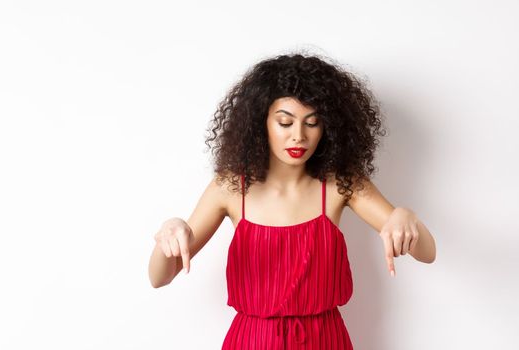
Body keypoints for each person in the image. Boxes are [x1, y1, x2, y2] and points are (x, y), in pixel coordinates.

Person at [147, 52, 437, 349]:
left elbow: (427, 253)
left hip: (325, 341)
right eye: (285, 123)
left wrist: (405, 215)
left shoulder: (341, 185)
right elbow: (159, 277)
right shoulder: (231, 188)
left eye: (312, 123)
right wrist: (170, 230)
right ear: (262, 123)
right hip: (253, 341)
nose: (299, 136)